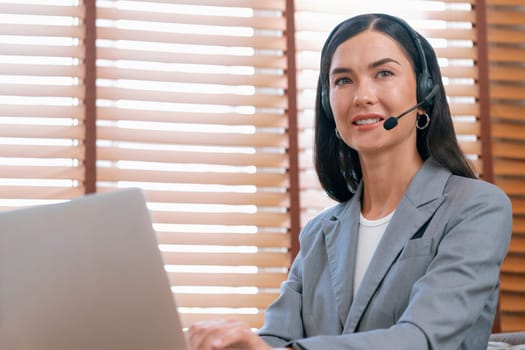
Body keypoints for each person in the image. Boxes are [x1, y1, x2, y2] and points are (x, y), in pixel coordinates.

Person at [188, 13, 513, 350]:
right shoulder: (319, 234)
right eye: (343, 80)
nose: (362, 96)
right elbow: (276, 338)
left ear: (424, 93)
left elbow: (421, 338)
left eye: (384, 73)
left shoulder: (476, 207)